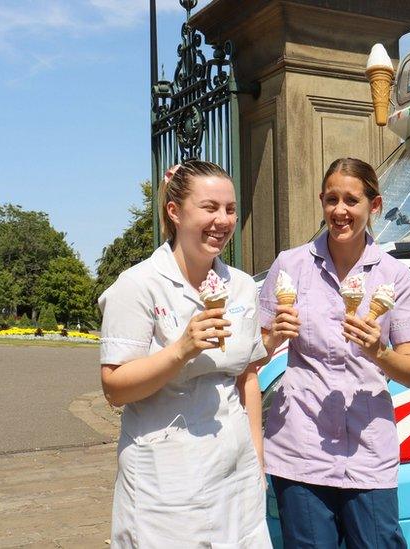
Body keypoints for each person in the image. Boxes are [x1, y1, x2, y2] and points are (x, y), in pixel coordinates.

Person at [98, 160, 270, 546]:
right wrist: (181, 351)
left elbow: (247, 376)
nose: (222, 220)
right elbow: (114, 388)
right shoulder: (138, 285)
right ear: (174, 212)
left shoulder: (241, 286)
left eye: (229, 209)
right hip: (166, 477)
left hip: (235, 471)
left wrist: (256, 459)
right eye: (209, 207)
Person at [258, 157, 410, 548]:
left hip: (368, 448)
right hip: (301, 445)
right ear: (321, 201)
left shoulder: (394, 276)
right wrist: (271, 339)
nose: (340, 211)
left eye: (351, 200)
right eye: (331, 199)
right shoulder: (291, 266)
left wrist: (378, 350)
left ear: (374, 205)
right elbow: (255, 354)